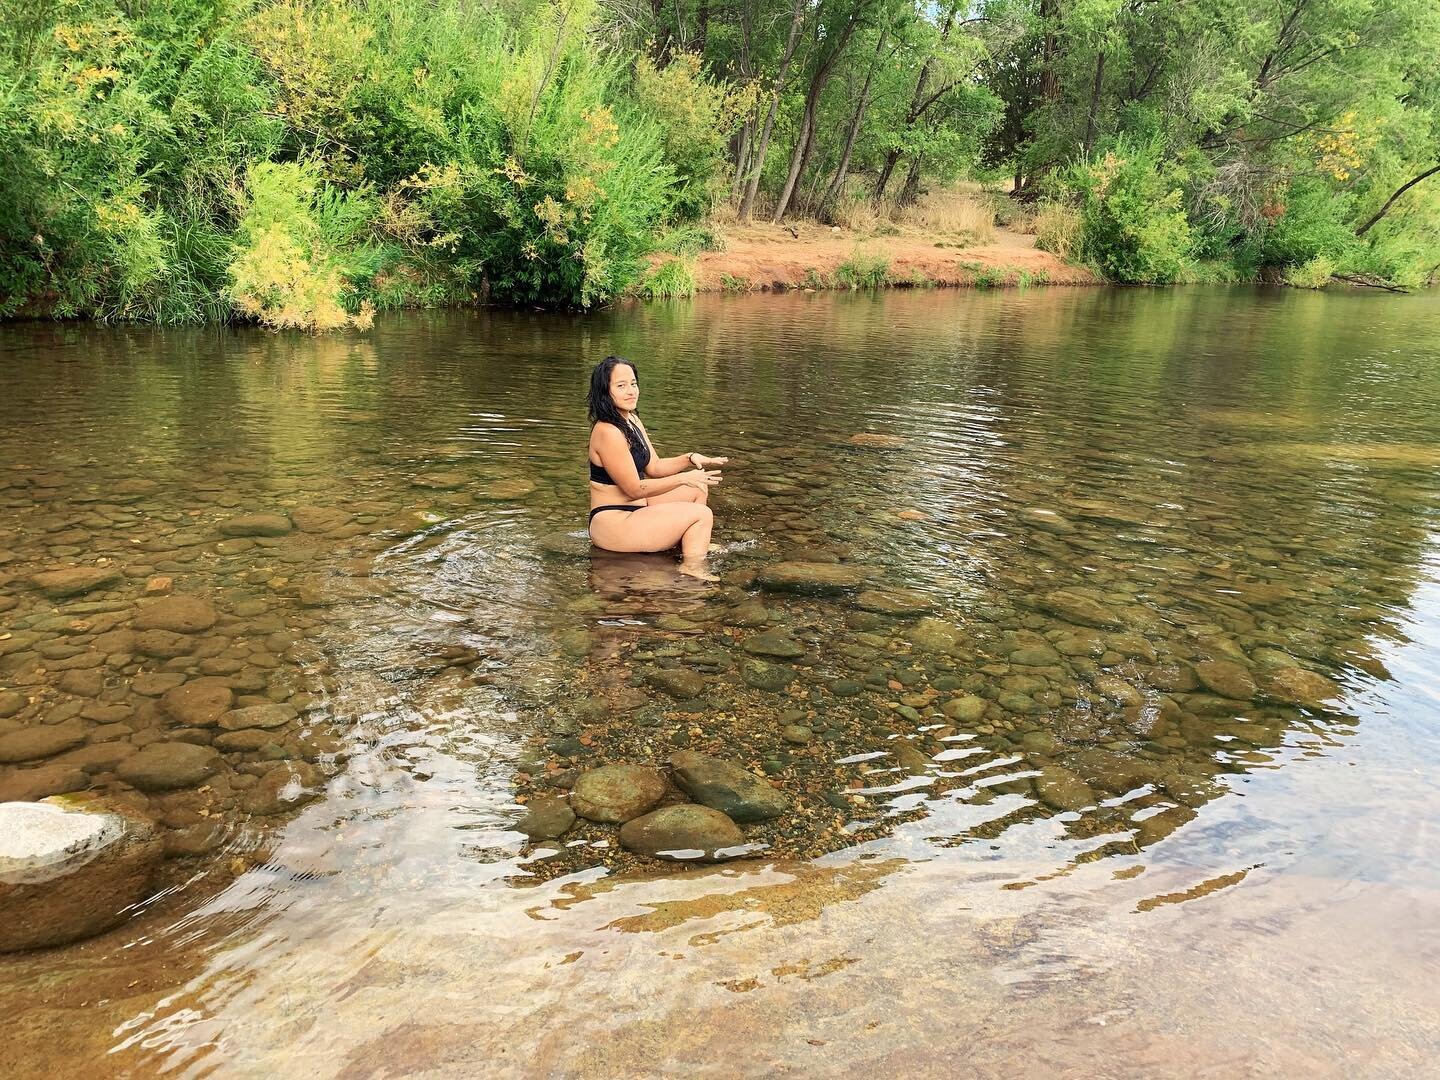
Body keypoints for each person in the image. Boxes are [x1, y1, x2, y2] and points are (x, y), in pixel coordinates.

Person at [587, 355, 727, 579]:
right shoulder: (607, 431)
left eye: (633, 384)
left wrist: (690, 458)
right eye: (621, 386)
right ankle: (692, 567)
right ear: (605, 391)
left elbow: (654, 467)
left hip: (637, 508)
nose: (631, 391)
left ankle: (692, 545)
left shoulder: (631, 420)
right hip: (614, 522)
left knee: (697, 488)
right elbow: (633, 489)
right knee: (702, 514)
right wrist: (683, 478)